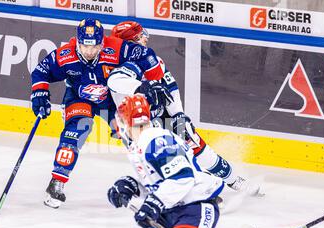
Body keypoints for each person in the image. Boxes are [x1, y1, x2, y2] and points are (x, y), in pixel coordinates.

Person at [108, 21, 263, 197]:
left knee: (198, 148)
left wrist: (178, 114)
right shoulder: (117, 67)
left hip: (164, 115)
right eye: (138, 37)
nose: (144, 39)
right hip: (138, 127)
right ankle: (189, 193)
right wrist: (142, 87)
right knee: (159, 162)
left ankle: (233, 180)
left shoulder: (153, 60)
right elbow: (115, 81)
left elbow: (170, 87)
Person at [30, 18, 166, 209]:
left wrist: (153, 81)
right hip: (79, 99)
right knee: (76, 133)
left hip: (110, 101)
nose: (90, 51)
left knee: (135, 136)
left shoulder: (116, 47)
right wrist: (39, 93)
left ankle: (158, 181)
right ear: (78, 42)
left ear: (102, 42)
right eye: (85, 46)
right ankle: (57, 182)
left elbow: (145, 54)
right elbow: (41, 71)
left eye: (95, 46)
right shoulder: (65, 55)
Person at [107, 94, 223, 228]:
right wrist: (133, 187)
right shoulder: (141, 144)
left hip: (194, 209)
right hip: (168, 211)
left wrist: (154, 203)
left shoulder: (154, 140)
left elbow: (182, 178)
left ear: (123, 123)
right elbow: (161, 182)